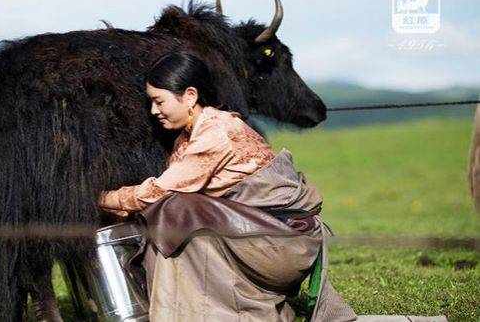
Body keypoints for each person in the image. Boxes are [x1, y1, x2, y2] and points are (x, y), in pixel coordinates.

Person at [98, 51, 355, 322]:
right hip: (262, 240)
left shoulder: (216, 132)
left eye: (159, 101)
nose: (154, 111)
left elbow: (157, 192)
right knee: (176, 215)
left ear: (190, 96)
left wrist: (98, 198)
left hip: (282, 249)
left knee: (174, 210)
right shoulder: (188, 138)